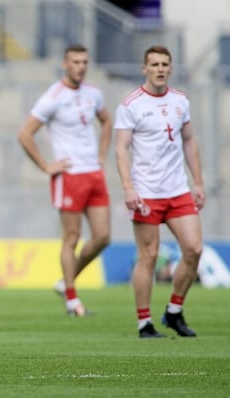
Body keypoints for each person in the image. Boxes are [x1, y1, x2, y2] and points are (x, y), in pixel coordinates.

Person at [115, 45, 205, 339]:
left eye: (165, 64)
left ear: (171, 68)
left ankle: (174, 311)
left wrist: (198, 183)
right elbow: (121, 149)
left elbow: (189, 141)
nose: (160, 69)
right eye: (154, 64)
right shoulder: (131, 104)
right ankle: (144, 323)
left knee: (193, 250)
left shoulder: (181, 101)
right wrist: (128, 189)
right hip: (147, 193)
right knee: (149, 257)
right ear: (144, 69)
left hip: (177, 190)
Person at [17, 44, 112, 317]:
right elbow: (25, 133)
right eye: (75, 62)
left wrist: (102, 155)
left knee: (103, 236)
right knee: (71, 237)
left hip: (93, 172)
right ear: (65, 64)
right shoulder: (53, 97)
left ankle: (65, 281)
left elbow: (106, 121)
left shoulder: (94, 93)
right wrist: (46, 165)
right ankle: (72, 299)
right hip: (69, 175)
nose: (81, 66)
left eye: (84, 61)